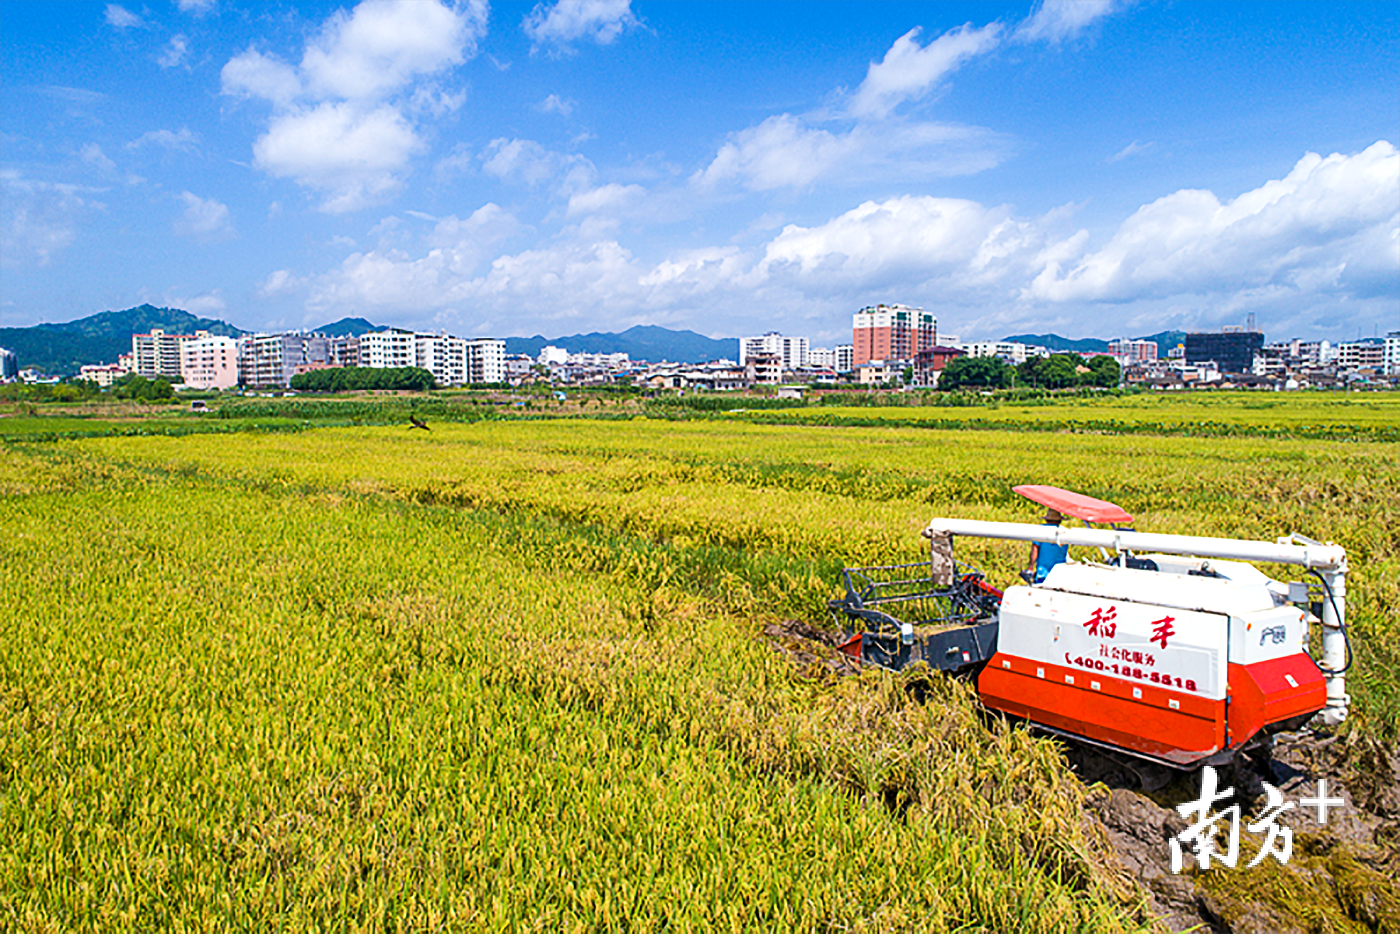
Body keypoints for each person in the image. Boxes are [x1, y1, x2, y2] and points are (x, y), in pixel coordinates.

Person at [1027, 508, 1068, 583]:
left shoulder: (1041, 530)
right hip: (1060, 574)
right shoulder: (1064, 532)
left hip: (1043, 573)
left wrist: (1030, 567)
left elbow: (1035, 549)